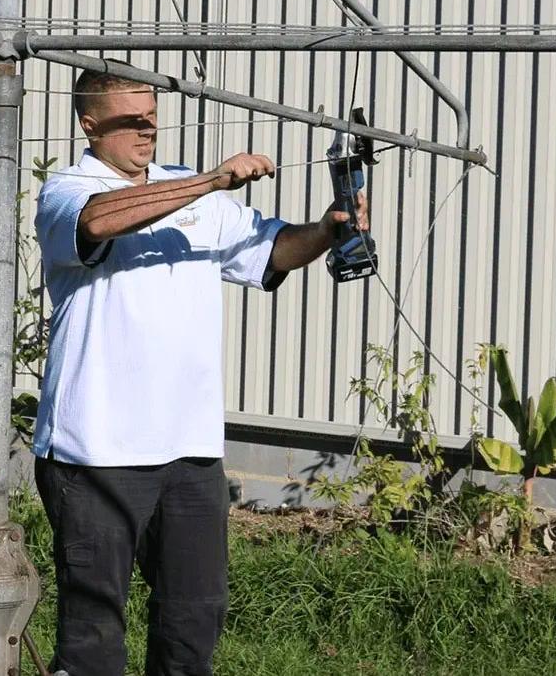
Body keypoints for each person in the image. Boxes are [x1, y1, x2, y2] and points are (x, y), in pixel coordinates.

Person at [31, 68, 369, 676]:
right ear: (89, 123)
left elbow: (270, 251)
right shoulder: (67, 190)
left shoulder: (194, 197)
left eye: (152, 116)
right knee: (93, 635)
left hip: (189, 452)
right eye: (131, 118)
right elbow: (98, 223)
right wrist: (212, 178)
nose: (146, 128)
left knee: (193, 623)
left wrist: (325, 230)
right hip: (94, 451)